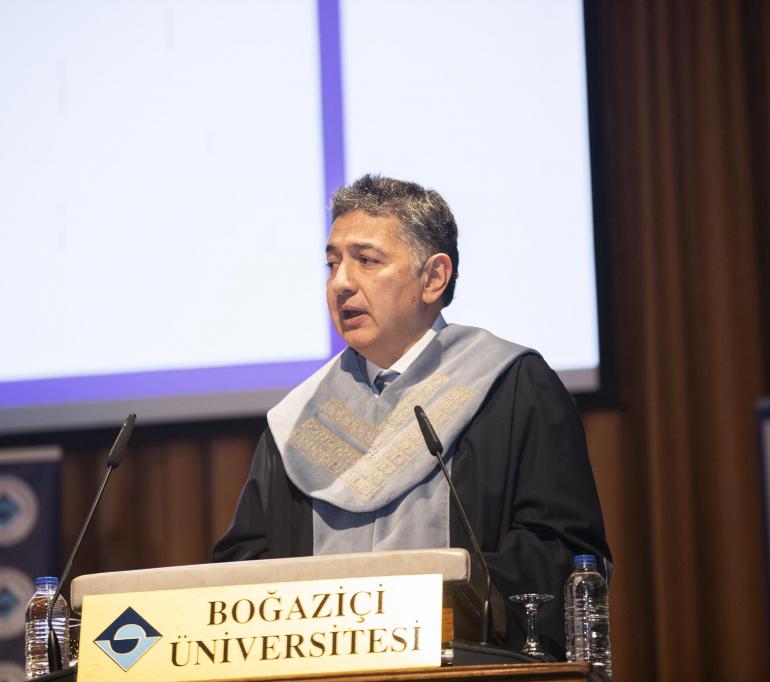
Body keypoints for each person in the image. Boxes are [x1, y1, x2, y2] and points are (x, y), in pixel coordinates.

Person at [212, 174, 610, 657]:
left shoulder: (509, 384)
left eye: (366, 260)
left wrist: (443, 604)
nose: (341, 283)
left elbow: (562, 552)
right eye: (332, 263)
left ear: (434, 277)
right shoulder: (297, 420)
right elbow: (246, 566)